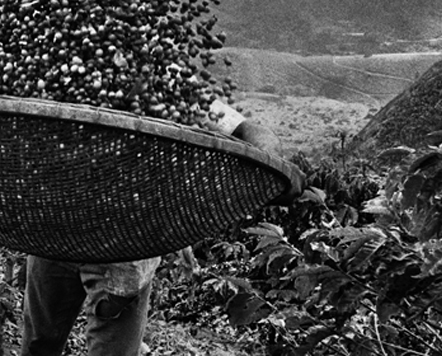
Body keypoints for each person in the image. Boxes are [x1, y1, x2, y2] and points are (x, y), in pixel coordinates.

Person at [19, 99, 282, 356]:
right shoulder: (64, 89)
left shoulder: (171, 92)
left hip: (125, 254)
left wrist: (274, 165)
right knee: (38, 345)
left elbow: (243, 129)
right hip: (56, 236)